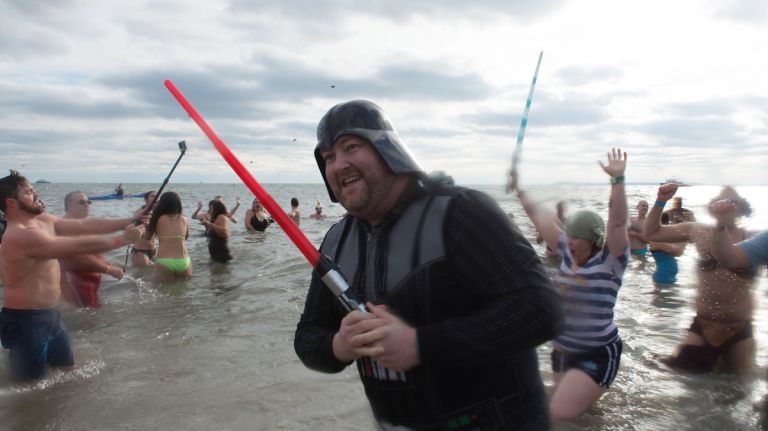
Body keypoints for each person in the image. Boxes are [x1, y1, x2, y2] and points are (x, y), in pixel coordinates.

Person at [294, 100, 564, 430]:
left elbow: (542, 309)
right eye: (328, 158)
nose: (338, 165)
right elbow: (308, 336)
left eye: (351, 147)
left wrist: (422, 344)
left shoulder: (462, 212)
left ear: (388, 149)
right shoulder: (336, 241)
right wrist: (340, 345)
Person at [511, 149, 630, 420]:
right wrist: (518, 189)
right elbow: (536, 217)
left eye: (577, 237)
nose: (569, 241)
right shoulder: (566, 250)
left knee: (557, 415)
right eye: (569, 235)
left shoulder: (612, 261)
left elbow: (618, 222)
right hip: (563, 350)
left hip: (598, 353)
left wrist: (618, 180)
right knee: (580, 418)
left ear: (594, 239)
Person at [0, 171, 144, 381]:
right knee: (30, 386)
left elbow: (84, 226)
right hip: (26, 322)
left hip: (51, 315)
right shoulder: (18, 234)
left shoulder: (43, 220)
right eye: (29, 192)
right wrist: (120, 240)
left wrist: (130, 220)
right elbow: (65, 247)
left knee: (69, 372)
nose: (36, 194)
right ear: (11, 202)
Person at [644, 184, 756, 374]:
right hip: (703, 326)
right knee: (679, 381)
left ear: (743, 209)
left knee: (739, 392)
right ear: (712, 208)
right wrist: (661, 201)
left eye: (732, 203)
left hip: (739, 329)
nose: (726, 208)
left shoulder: (755, 239)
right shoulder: (698, 231)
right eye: (721, 203)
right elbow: (651, 233)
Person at [59, 191, 125, 308]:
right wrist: (109, 269)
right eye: (82, 202)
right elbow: (76, 257)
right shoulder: (65, 226)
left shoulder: (84, 226)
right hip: (76, 281)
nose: (87, 205)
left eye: (88, 202)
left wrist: (104, 263)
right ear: (69, 205)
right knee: (88, 319)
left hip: (91, 280)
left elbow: (91, 251)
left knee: (95, 317)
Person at [144, 192, 191, 282]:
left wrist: (148, 227)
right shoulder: (184, 219)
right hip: (184, 260)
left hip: (165, 261)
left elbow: (147, 237)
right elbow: (186, 237)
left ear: (162, 204)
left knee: (164, 293)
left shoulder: (157, 218)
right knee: (183, 292)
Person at [649, 213, 686, 284]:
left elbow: (676, 246)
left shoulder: (664, 239)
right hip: (662, 279)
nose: (667, 225)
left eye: (667, 222)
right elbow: (678, 252)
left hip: (669, 278)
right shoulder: (656, 240)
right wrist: (685, 239)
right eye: (665, 222)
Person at [131, 190, 158, 267]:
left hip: (154, 250)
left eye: (157, 196)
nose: (156, 198)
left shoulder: (158, 214)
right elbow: (133, 228)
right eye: (153, 196)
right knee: (140, 277)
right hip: (140, 252)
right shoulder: (139, 212)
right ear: (146, 200)